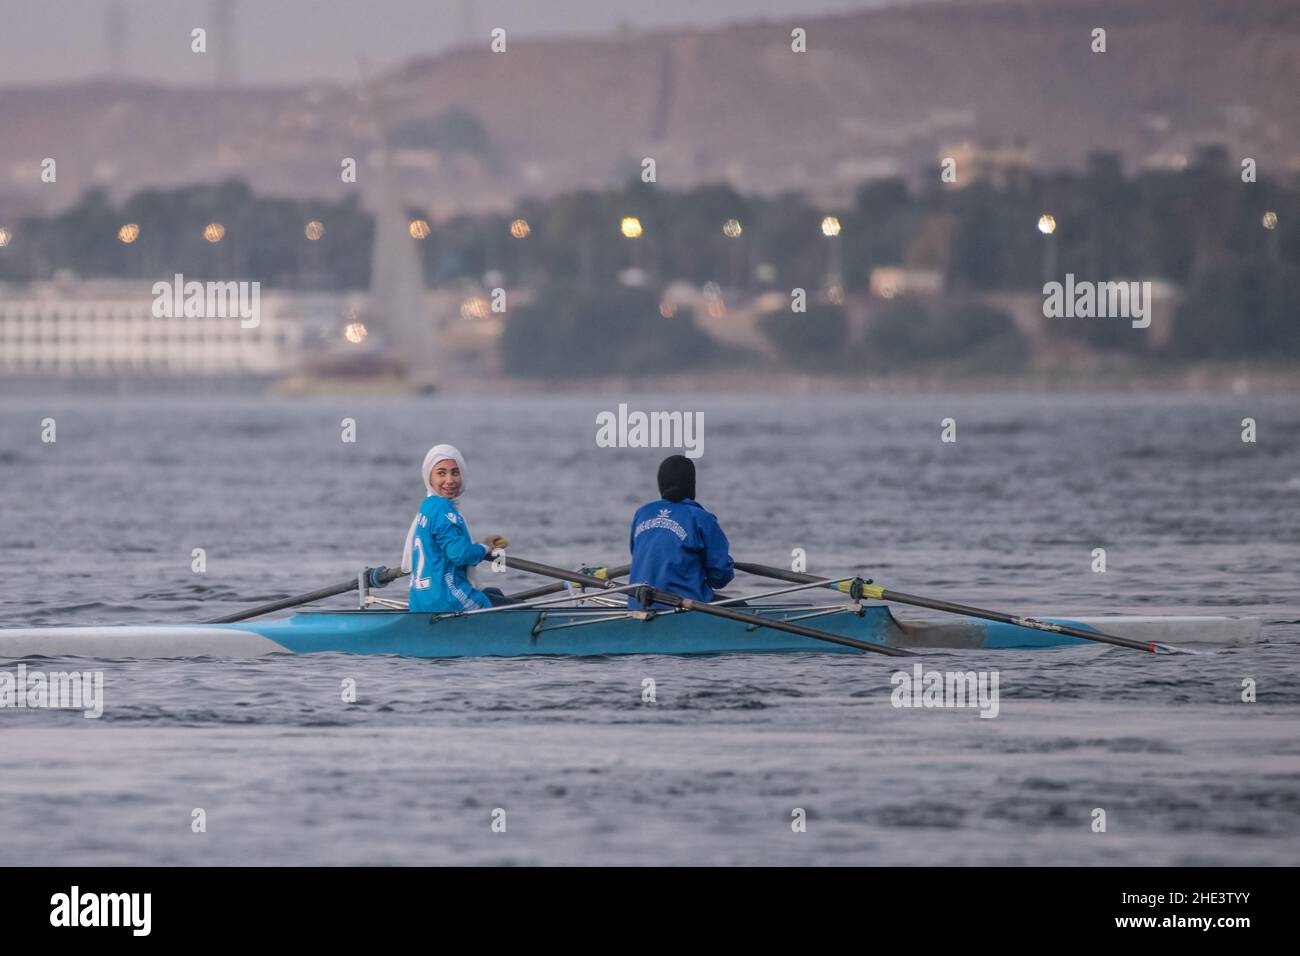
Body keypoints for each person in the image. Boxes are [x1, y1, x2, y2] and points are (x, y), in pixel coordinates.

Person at [401, 444, 514, 612]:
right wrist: (484, 548)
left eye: (455, 472)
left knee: (495, 593)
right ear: (429, 477)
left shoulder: (427, 506)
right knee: (518, 609)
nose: (450, 480)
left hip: (420, 602)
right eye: (441, 473)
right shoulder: (443, 509)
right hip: (448, 599)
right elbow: (459, 554)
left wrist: (479, 546)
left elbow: (449, 544)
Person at [628, 454, 734, 608]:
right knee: (742, 606)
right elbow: (720, 577)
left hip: (639, 604)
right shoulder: (701, 518)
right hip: (683, 608)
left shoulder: (642, 513)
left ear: (661, 485)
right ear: (692, 485)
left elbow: (638, 555)